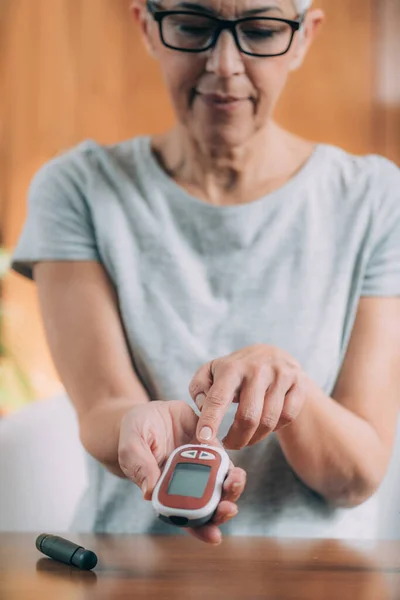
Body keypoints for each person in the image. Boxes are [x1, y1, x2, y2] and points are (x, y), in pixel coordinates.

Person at [10, 0, 400, 545]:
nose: (224, 63)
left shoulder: (376, 199)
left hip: (314, 577)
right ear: (147, 27)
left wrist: (289, 385)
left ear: (305, 37)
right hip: (128, 568)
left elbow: (355, 476)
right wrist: (132, 425)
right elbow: (103, 405)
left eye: (261, 32)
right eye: (192, 26)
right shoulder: (77, 188)